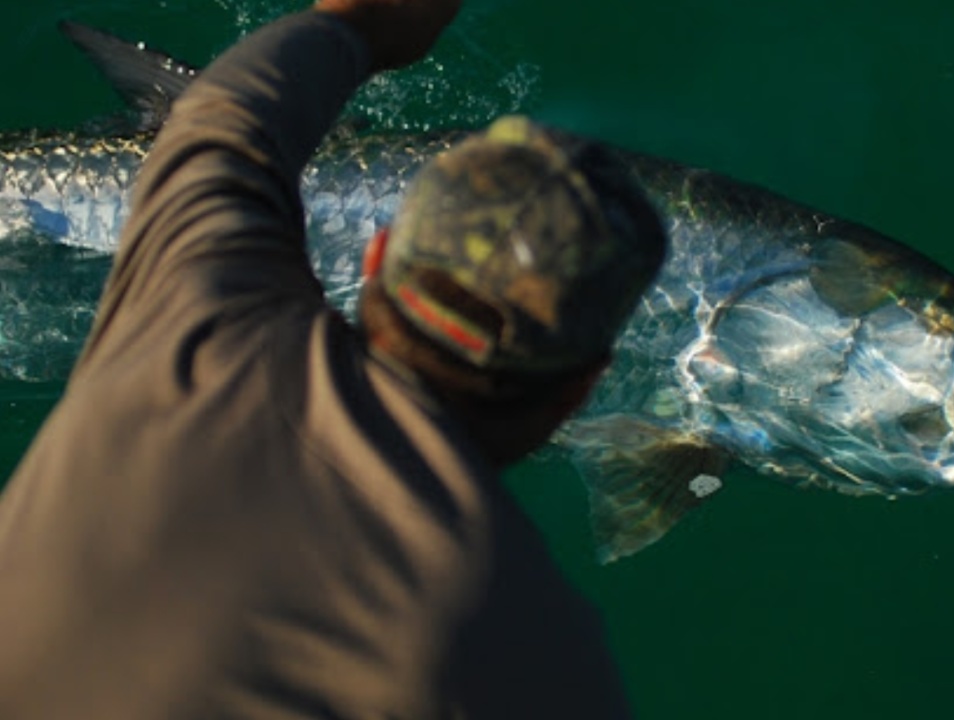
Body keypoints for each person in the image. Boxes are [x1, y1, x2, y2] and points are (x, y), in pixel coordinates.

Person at [0, 0, 667, 717]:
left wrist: (359, 27)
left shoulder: (197, 314)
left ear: (377, 258)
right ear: (582, 389)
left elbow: (226, 115)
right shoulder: (547, 656)